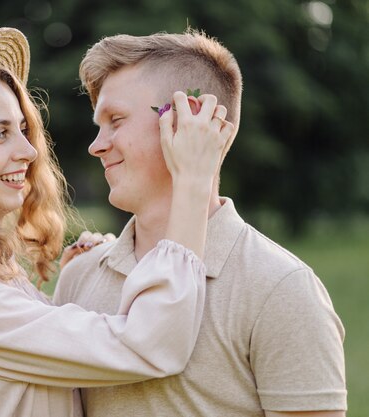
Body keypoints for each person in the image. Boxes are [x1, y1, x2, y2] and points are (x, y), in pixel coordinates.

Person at [0, 27, 235, 417]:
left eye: (23, 129)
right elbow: (151, 345)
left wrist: (65, 301)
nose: (27, 150)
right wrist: (192, 180)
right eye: (1, 133)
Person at [53, 29, 347, 417]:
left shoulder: (281, 288)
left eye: (116, 121)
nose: (96, 145)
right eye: (98, 125)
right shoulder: (79, 276)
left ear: (188, 121)